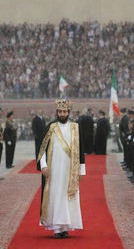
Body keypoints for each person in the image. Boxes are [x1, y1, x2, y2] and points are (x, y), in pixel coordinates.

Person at [37, 99, 85, 238]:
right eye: (60, 111)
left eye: (64, 111)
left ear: (68, 112)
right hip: (54, 170)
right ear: (57, 112)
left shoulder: (75, 127)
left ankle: (65, 227)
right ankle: (57, 228)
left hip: (71, 170)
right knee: (56, 196)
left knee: (68, 197)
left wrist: (81, 170)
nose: (62, 114)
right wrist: (43, 165)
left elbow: (81, 149)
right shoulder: (51, 127)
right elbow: (42, 149)